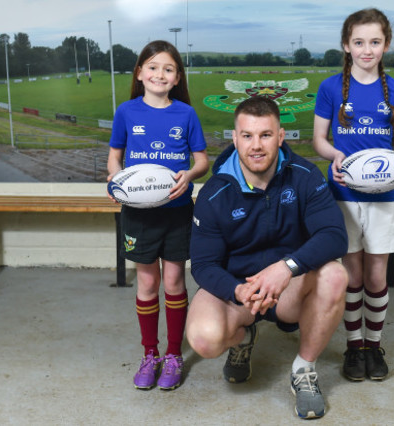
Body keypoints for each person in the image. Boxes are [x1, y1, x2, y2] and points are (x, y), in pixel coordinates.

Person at [186, 96, 348, 419]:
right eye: (247, 136)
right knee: (203, 338)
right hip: (239, 292)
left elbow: (334, 236)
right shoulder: (213, 193)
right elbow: (203, 265)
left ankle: (304, 369)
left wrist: (287, 268)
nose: (256, 145)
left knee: (335, 275)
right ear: (234, 138)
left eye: (265, 135)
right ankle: (243, 337)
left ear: (281, 136)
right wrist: (237, 291)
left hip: (288, 289)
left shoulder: (305, 176)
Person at [312, 8, 394, 382]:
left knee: (376, 279)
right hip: (341, 196)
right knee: (351, 278)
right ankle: (353, 347)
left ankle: (374, 346)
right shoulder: (330, 88)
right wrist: (335, 156)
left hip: (383, 199)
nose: (367, 49)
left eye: (375, 42)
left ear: (386, 45)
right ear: (346, 45)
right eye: (359, 42)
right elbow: (319, 141)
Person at [107, 40, 209, 391]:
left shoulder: (185, 114)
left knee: (173, 283)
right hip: (138, 214)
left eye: (168, 68)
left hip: (177, 212)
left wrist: (190, 176)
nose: (159, 74)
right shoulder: (126, 112)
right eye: (152, 67)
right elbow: (114, 157)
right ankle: (149, 354)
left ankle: (173, 354)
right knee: (148, 282)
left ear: (177, 76)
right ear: (139, 73)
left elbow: (201, 161)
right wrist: (114, 178)